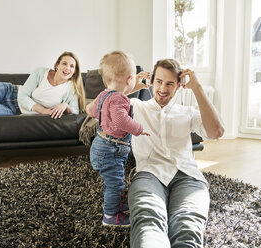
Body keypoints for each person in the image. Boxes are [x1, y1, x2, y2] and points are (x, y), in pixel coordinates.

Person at [128, 59, 224, 247]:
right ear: (151, 81)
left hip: (188, 176)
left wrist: (197, 88)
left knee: (187, 226)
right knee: (148, 220)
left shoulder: (188, 112)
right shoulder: (136, 106)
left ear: (179, 86)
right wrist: (131, 87)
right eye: (159, 82)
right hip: (149, 174)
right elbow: (94, 110)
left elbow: (216, 132)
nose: (163, 88)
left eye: (170, 83)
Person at [86, 51, 150, 227]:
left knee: (111, 181)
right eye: (133, 80)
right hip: (111, 150)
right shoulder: (120, 99)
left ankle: (115, 203)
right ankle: (111, 216)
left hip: (100, 146)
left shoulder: (104, 95)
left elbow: (91, 111)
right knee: (116, 183)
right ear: (130, 79)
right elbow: (121, 120)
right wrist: (139, 129)